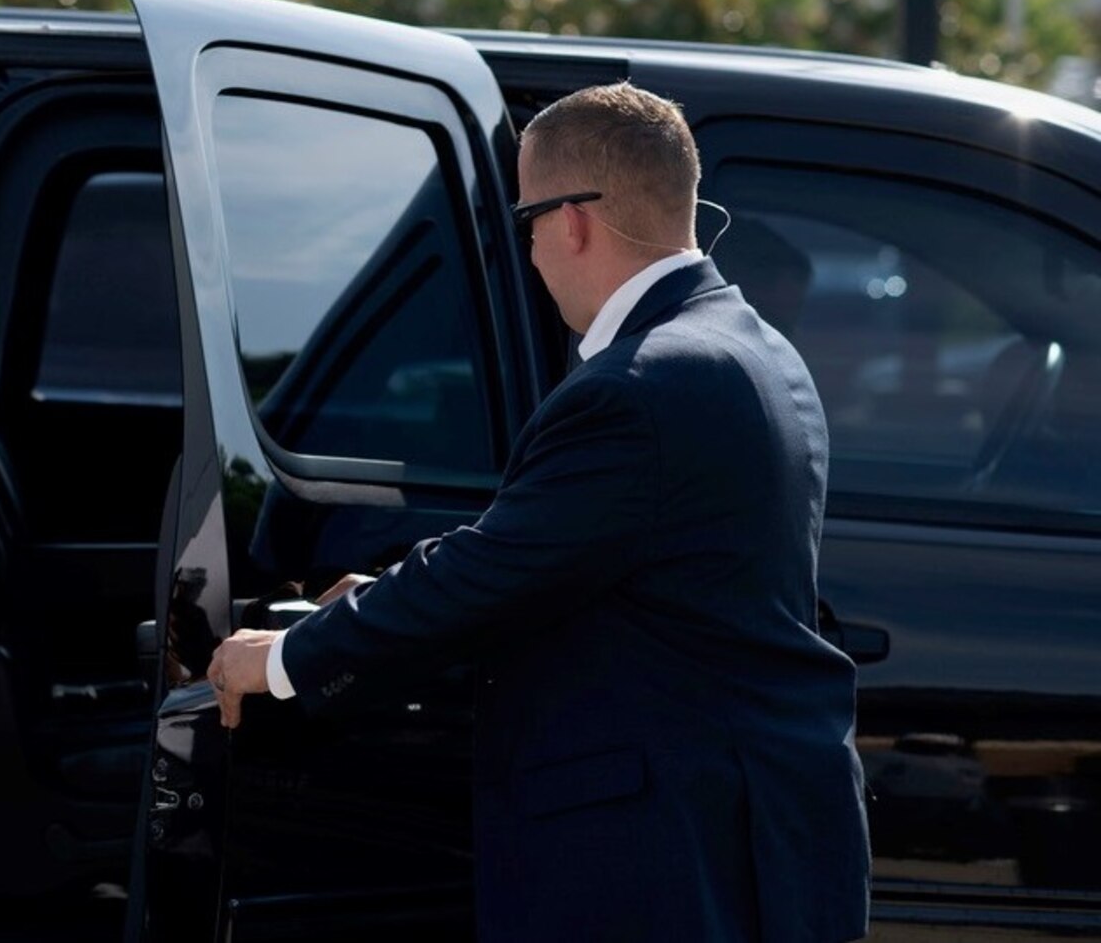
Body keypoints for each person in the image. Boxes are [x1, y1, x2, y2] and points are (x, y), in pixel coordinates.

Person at [207, 83, 870, 943]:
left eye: (526, 223)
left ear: (574, 221)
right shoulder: (751, 347)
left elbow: (493, 569)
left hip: (661, 858)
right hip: (739, 833)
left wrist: (287, 657)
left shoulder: (640, 385)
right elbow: (565, 552)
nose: (528, 249)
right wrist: (387, 587)